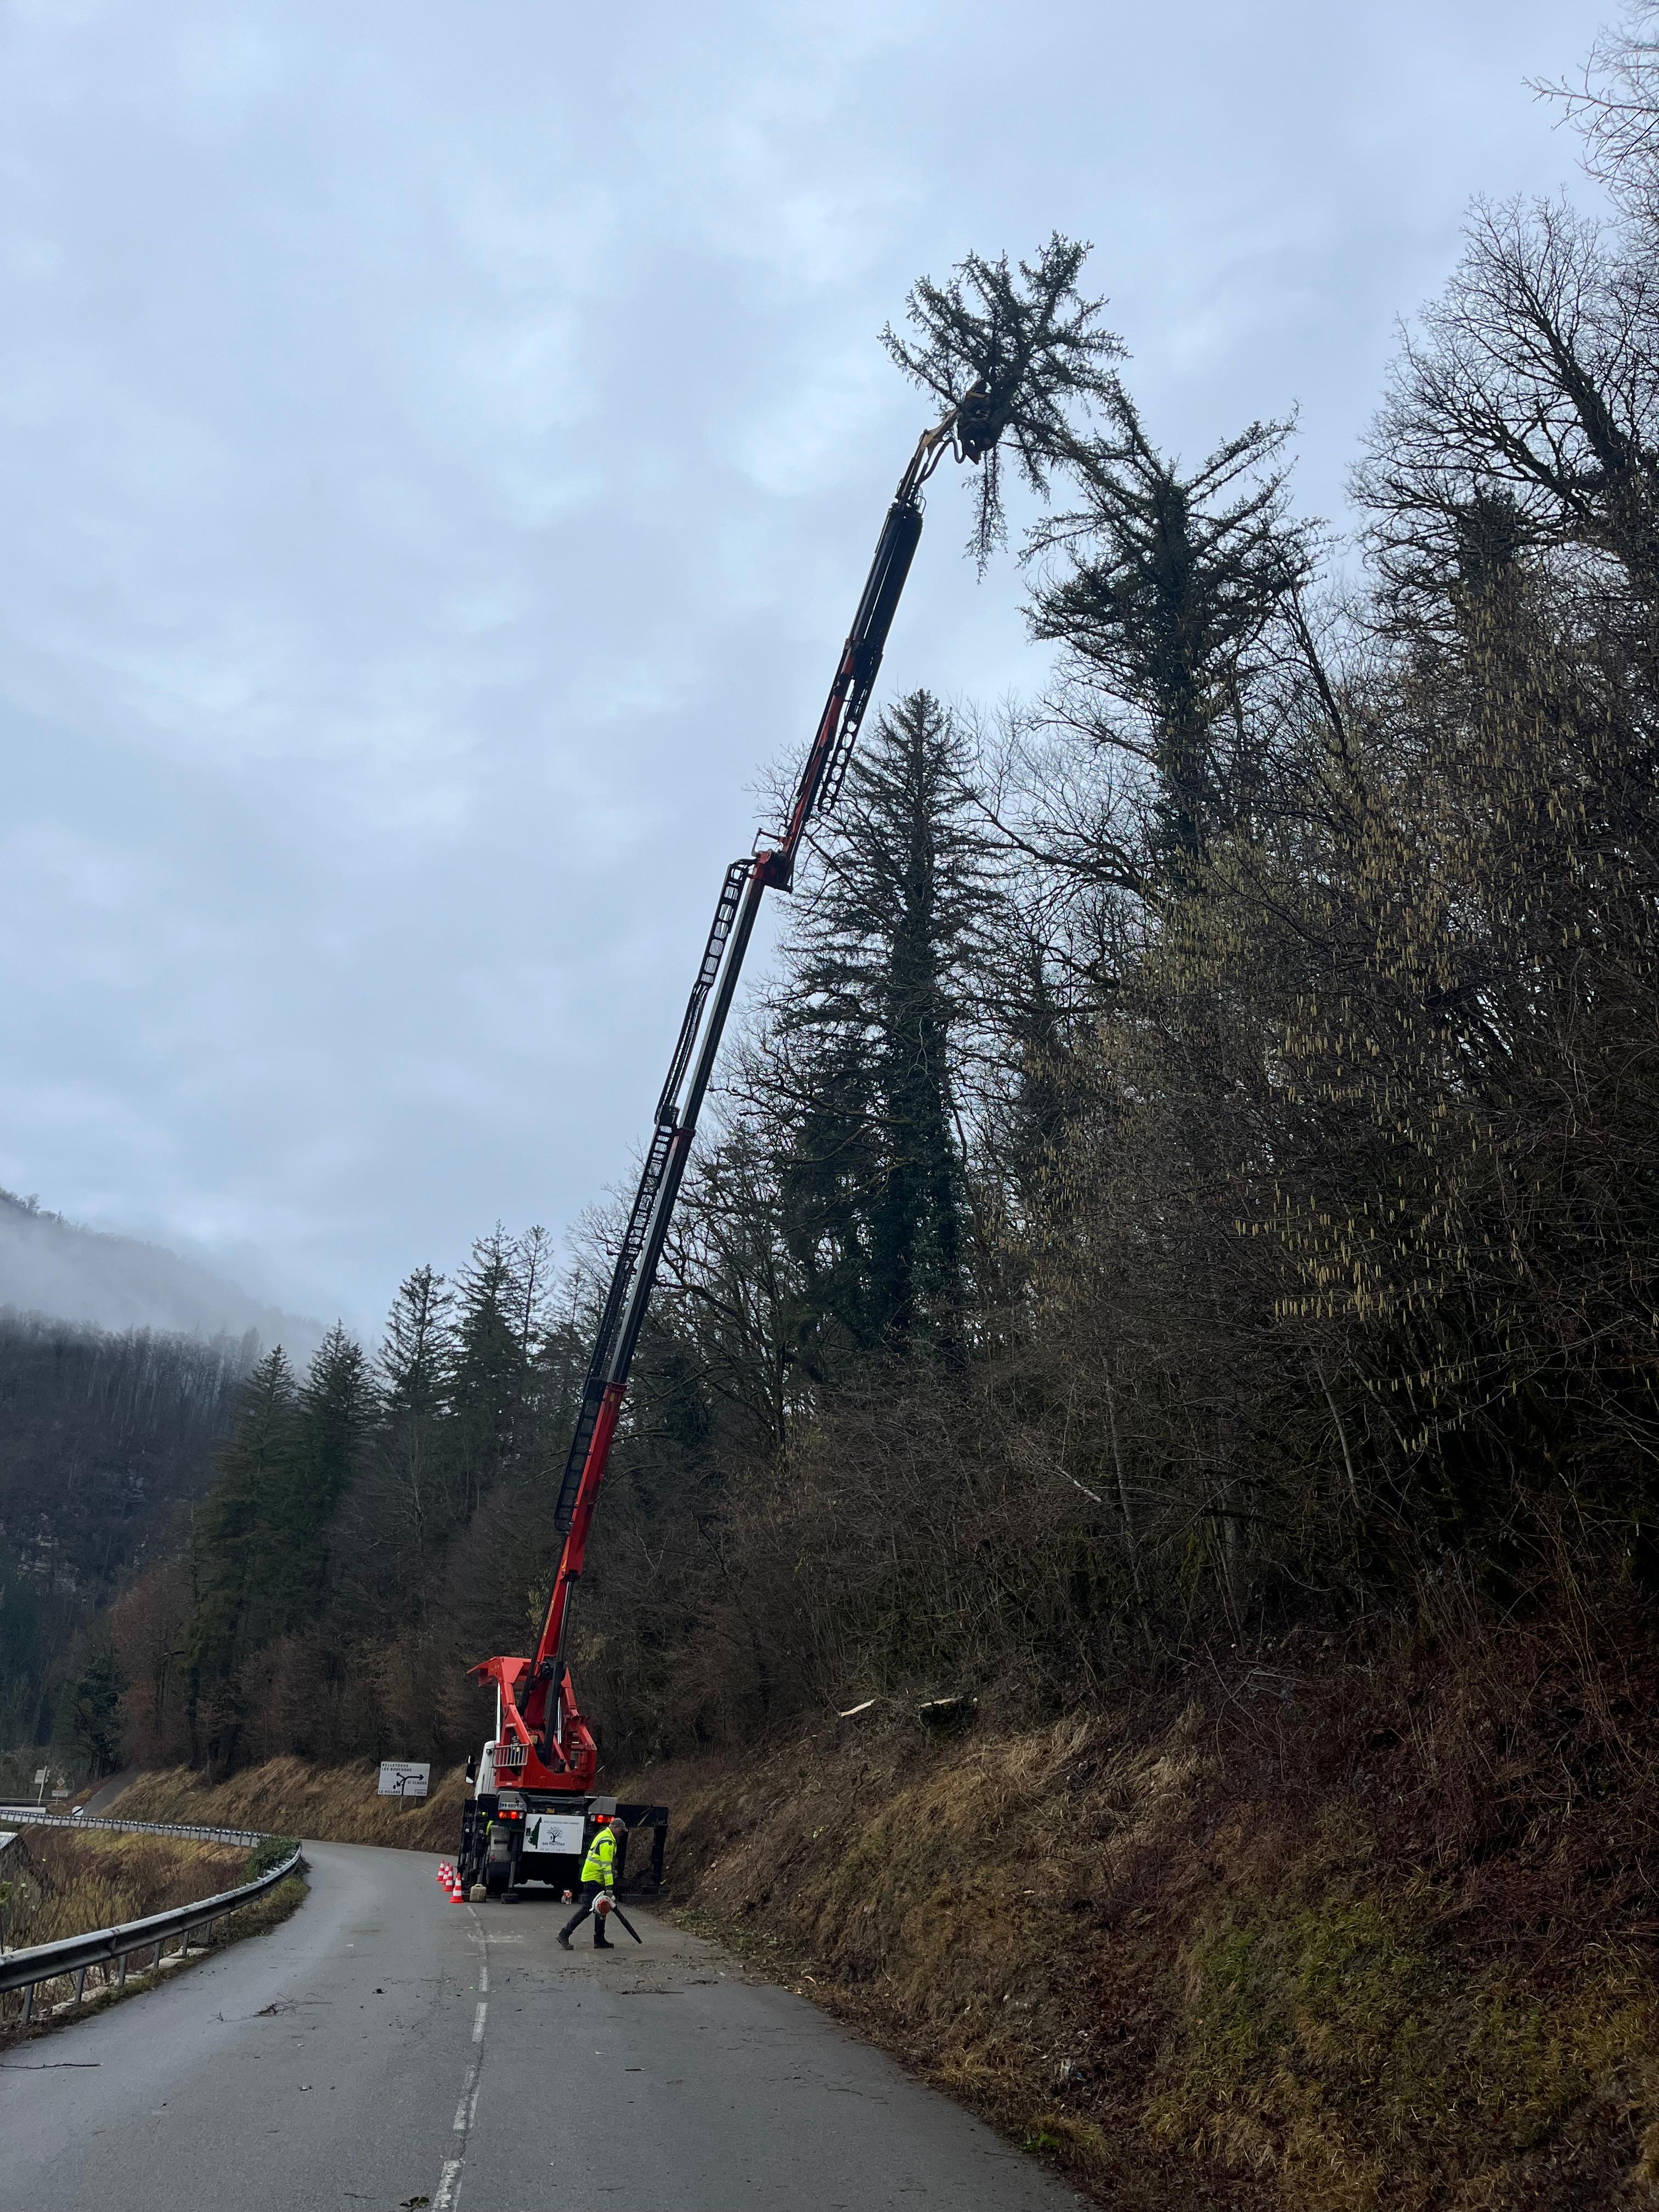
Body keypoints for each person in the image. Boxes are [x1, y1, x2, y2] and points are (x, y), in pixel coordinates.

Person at [557, 1813, 621, 1949]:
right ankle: (565, 1934)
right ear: (615, 1827)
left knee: (601, 1908)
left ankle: (599, 1939)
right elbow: (606, 1867)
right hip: (595, 1879)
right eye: (620, 1831)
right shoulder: (608, 1841)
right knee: (589, 1908)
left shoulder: (604, 1835)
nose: (621, 1834)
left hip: (594, 1877)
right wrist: (610, 1886)